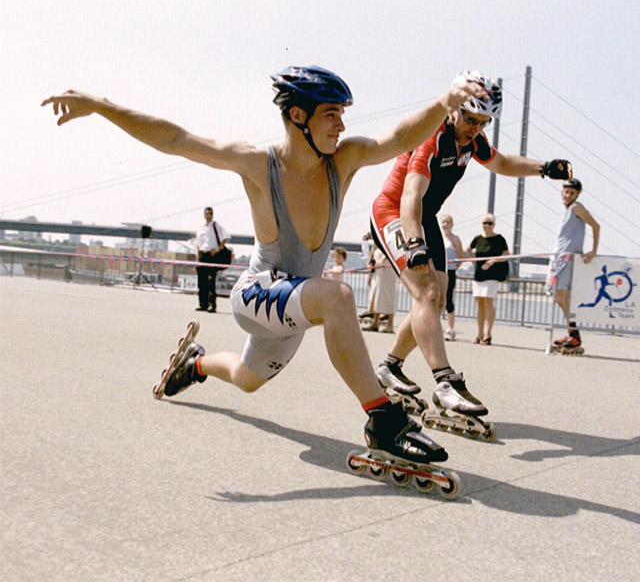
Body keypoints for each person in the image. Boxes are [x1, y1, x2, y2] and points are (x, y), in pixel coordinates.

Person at [41, 66, 489, 473]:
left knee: (246, 378)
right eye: (331, 114)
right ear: (298, 116)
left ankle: (194, 365)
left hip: (292, 306)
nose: (342, 124)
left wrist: (443, 105)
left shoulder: (343, 162)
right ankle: (383, 418)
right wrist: (99, 105)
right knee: (338, 296)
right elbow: (175, 139)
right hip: (260, 292)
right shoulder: (259, 163)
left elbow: (396, 138)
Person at [370, 69, 572, 434]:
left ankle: (390, 366)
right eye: (469, 118)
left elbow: (502, 163)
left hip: (425, 216)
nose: (474, 128)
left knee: (436, 297)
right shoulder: (433, 135)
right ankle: (445, 382)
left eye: (483, 122)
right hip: (395, 211)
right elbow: (411, 196)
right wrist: (413, 241)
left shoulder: (472, 141)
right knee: (426, 292)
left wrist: (544, 168)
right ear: (453, 108)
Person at [548, 179, 600, 354]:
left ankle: (574, 333)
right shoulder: (567, 210)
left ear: (577, 194)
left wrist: (593, 251)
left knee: (560, 298)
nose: (567, 195)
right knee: (564, 298)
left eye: (571, 192)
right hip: (559, 257)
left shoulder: (577, 207)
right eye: (565, 191)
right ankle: (572, 333)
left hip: (567, 259)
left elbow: (595, 225)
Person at [469, 214, 509, 346]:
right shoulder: (478, 239)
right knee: (480, 304)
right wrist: (474, 263)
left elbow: (506, 256)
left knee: (488, 303)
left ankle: (488, 334)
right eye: (485, 223)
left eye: (490, 223)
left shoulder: (499, 239)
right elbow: (468, 250)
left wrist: (493, 260)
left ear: (494, 224)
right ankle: (479, 333)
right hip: (479, 275)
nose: (487, 225)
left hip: (493, 275)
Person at [195, 206, 231, 313]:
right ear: (204, 215)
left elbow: (226, 237)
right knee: (202, 281)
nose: (208, 216)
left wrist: (218, 249)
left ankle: (212, 304)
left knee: (211, 281)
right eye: (207, 214)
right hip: (202, 255)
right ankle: (203, 304)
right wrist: (197, 258)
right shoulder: (201, 228)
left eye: (210, 214)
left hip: (212, 255)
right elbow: (198, 244)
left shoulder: (216, 226)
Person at [440, 214, 464, 341]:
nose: (445, 224)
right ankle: (436, 327)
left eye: (447, 222)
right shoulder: (438, 237)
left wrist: (454, 267)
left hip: (450, 272)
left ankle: (450, 328)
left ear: (451, 224)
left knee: (448, 299)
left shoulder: (455, 240)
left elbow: (460, 257)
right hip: (439, 272)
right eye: (443, 222)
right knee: (437, 299)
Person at [363, 244, 397, 333]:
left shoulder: (388, 240)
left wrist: (382, 260)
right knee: (375, 295)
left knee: (388, 294)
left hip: (387, 270)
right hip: (377, 272)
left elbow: (391, 250)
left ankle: (390, 324)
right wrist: (369, 266)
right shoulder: (376, 242)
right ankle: (375, 322)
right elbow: (371, 255)